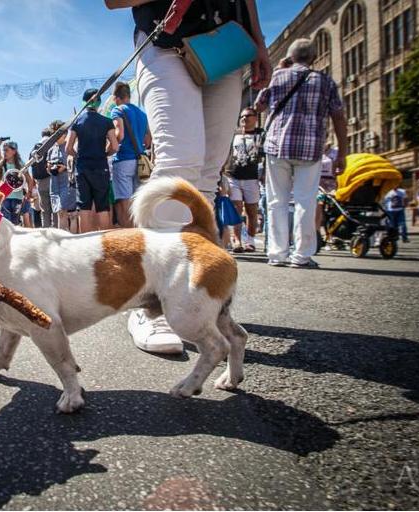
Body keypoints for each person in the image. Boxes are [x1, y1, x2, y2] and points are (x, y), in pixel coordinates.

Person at [106, 0, 270, 354]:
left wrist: (259, 41)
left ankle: (193, 296)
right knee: (180, 164)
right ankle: (150, 305)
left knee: (208, 175)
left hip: (227, 39)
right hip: (166, 40)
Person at [255, 38, 347, 269]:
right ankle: (302, 256)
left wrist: (279, 69)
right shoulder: (324, 81)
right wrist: (342, 153)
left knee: (276, 201)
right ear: (313, 58)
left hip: (278, 147)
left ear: (290, 57)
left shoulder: (278, 77)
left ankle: (277, 254)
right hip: (311, 148)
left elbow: (258, 106)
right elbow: (338, 117)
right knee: (306, 201)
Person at [66, 88, 119, 233]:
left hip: (83, 167)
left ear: (84, 102)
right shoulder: (106, 121)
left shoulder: (77, 121)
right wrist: (105, 153)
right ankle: (106, 243)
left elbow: (68, 148)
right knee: (103, 206)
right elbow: (115, 146)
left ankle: (85, 244)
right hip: (101, 166)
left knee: (84, 206)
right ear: (99, 102)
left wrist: (78, 155)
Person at [109, 81, 150, 228]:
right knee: (138, 200)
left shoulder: (117, 110)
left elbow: (119, 135)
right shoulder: (142, 114)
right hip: (140, 161)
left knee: (124, 201)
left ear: (116, 97)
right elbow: (148, 140)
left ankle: (130, 236)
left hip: (123, 159)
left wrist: (109, 148)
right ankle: (140, 232)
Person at [224, 107, 263, 253]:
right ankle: (237, 240)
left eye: (247, 116)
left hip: (252, 178)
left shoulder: (260, 135)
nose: (244, 119)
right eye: (242, 116)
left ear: (255, 118)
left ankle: (250, 241)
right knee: (237, 208)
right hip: (233, 175)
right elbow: (226, 152)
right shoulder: (233, 133)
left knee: (251, 211)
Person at [0, 140, 35, 226]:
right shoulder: (2, 164)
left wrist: (29, 193)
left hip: (17, 198)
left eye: (7, 150)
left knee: (15, 222)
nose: (4, 152)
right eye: (3, 150)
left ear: (14, 151)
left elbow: (29, 180)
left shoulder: (20, 164)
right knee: (6, 222)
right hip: (5, 197)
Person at [47, 122, 76, 231]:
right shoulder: (51, 150)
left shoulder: (69, 146)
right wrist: (50, 168)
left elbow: (73, 165)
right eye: (53, 133)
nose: (54, 136)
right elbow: (49, 169)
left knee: (71, 214)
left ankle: (73, 240)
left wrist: (64, 167)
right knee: (60, 213)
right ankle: (63, 239)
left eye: (57, 133)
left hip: (67, 183)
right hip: (54, 185)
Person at [31, 127, 55, 228]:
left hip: (39, 182)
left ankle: (46, 231)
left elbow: (32, 165)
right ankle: (56, 231)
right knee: (55, 208)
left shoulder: (34, 148)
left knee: (44, 209)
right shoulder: (51, 144)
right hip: (51, 178)